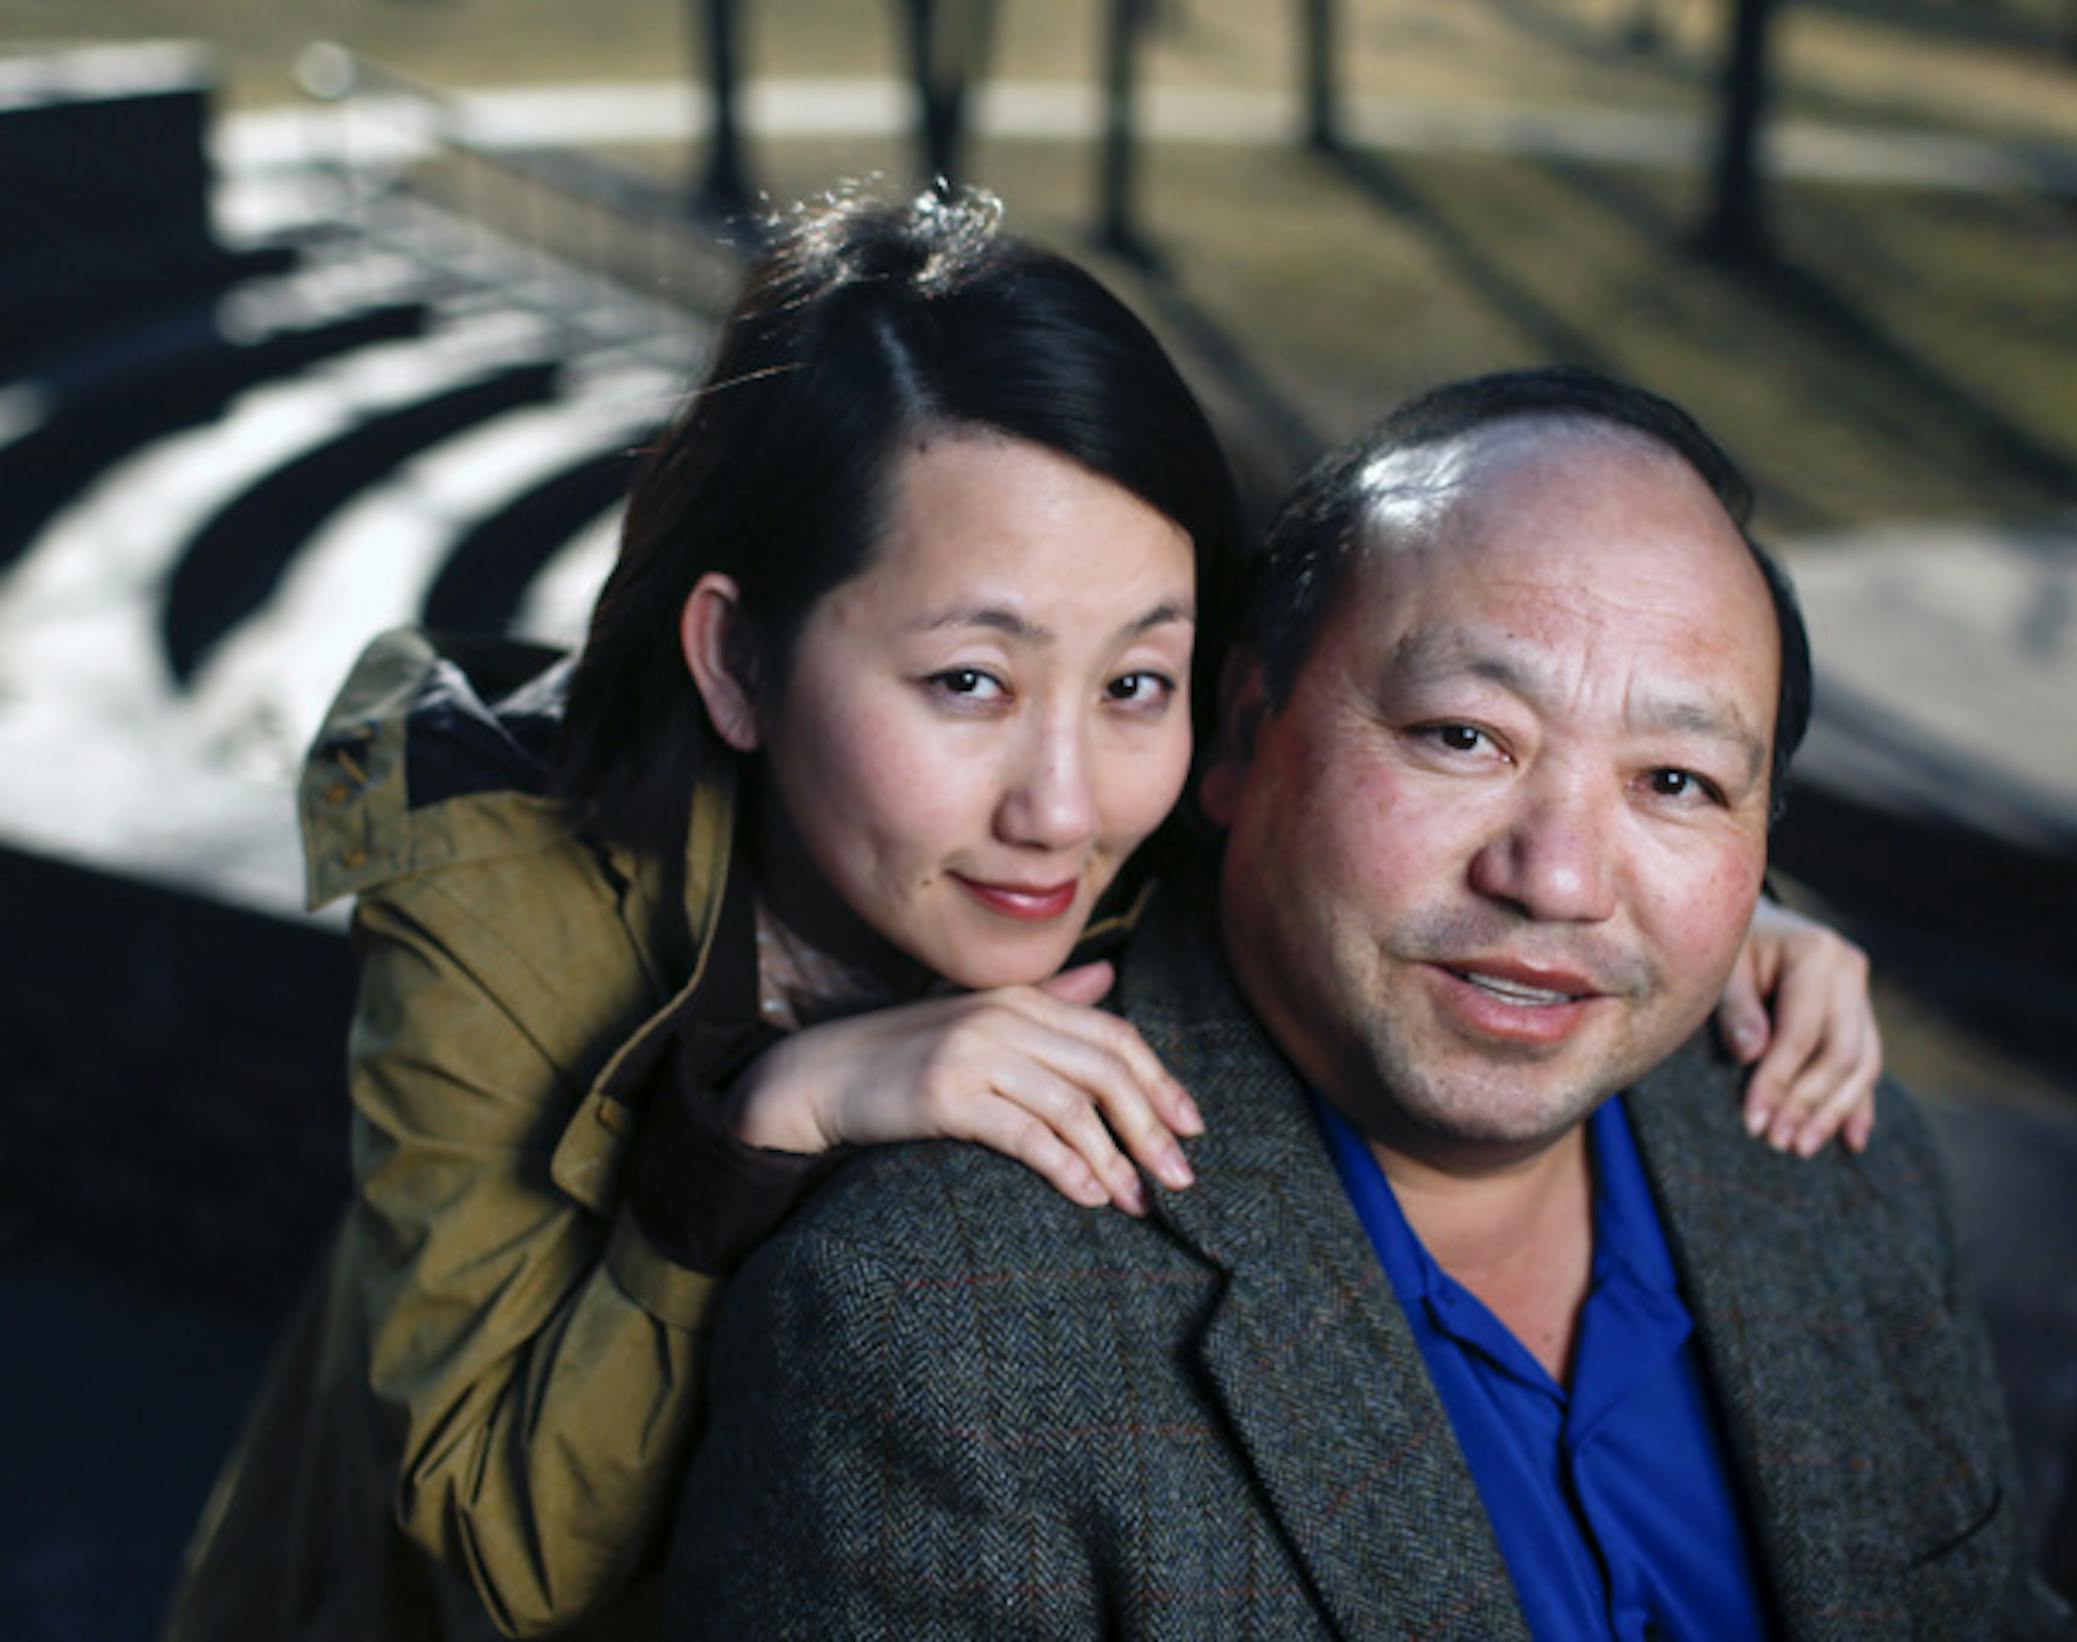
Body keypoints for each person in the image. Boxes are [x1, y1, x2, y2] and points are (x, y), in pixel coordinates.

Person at [162, 192, 1878, 1642]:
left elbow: (1401, 768)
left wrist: (1713, 925)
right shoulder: (499, 880)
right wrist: (765, 1124)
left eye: (1136, 679)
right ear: (738, 659)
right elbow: (507, 1551)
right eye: (969, 680)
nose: (1064, 805)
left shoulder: (1161, 795)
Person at [664, 367, 2073, 1637]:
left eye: (1676, 781)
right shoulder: (931, 1332)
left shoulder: (1836, 1158)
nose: (1560, 879)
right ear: (1241, 732)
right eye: (1464, 736)